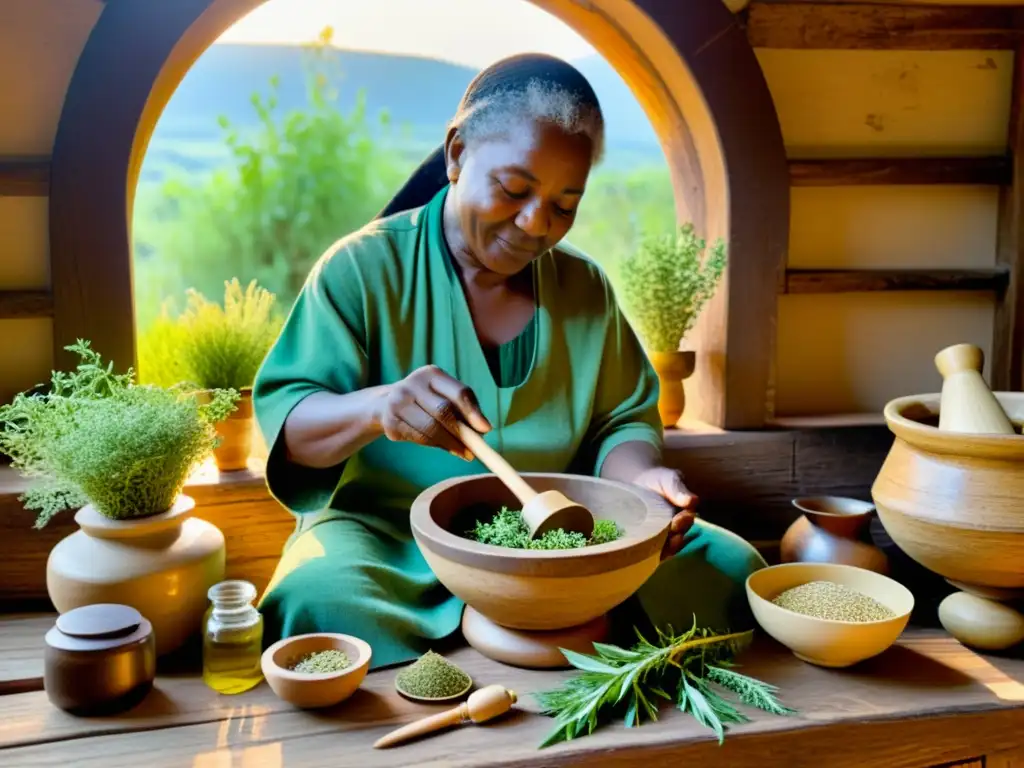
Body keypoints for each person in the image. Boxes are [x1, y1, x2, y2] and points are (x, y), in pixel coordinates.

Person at [252, 53, 766, 669]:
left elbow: (621, 421)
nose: (535, 224)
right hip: (392, 543)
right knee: (315, 598)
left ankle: (519, 631)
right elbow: (293, 426)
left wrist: (641, 484)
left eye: (564, 203)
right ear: (457, 153)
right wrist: (378, 408)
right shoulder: (361, 271)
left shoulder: (585, 289)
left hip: (565, 546)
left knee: (734, 572)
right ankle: (519, 637)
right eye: (514, 189)